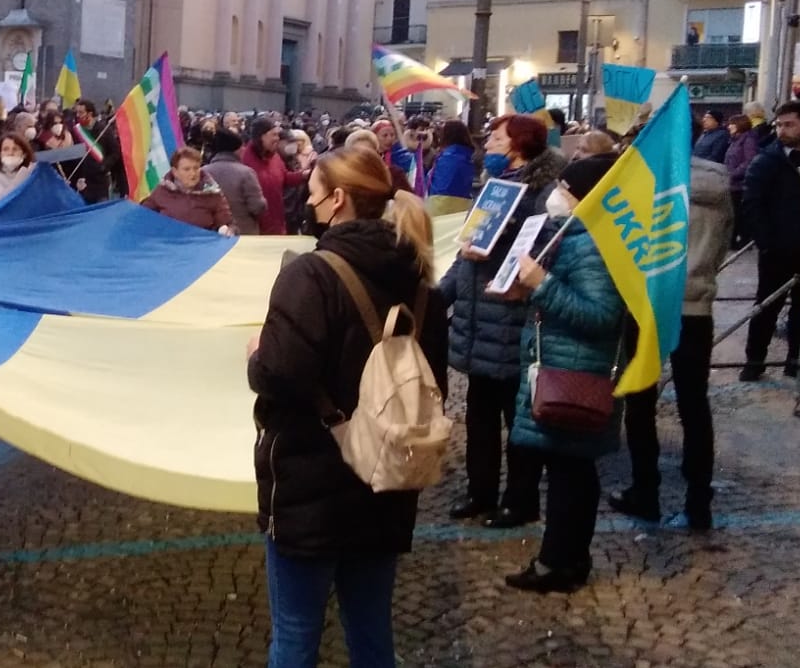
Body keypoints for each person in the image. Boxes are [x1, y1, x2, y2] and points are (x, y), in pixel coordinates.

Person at [247, 146, 447, 667]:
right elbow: (434, 383)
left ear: (337, 200)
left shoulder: (310, 275)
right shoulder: (420, 278)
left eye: (312, 193)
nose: (306, 203)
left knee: (295, 636)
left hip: (310, 481)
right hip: (388, 479)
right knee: (371, 630)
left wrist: (257, 356)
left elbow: (281, 375)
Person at [504, 155, 627, 594]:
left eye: (565, 185)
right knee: (572, 470)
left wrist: (543, 284)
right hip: (566, 364)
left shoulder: (593, 243)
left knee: (568, 474)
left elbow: (600, 315)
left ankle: (557, 562)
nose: (557, 192)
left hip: (575, 374)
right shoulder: (578, 235)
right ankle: (570, 557)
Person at [438, 113, 565, 531]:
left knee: (519, 422)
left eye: (495, 137)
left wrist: (497, 248)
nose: (488, 143)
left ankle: (520, 499)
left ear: (518, 144)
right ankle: (480, 491)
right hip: (478, 320)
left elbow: (543, 252)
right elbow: (466, 251)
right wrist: (442, 294)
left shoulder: (544, 194)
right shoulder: (492, 189)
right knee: (479, 415)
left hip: (512, 322)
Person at [612, 156, 731, 531]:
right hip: (696, 306)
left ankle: (645, 491)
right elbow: (725, 242)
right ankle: (698, 503)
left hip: (649, 305)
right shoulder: (719, 184)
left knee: (641, 401)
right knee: (694, 405)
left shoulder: (648, 181)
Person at [740, 101, 800, 380]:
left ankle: (797, 362)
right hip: (779, 249)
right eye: (778, 124)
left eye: (789, 124)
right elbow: (752, 204)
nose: (782, 130)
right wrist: (766, 243)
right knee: (766, 306)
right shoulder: (767, 160)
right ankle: (754, 363)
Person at [141, 147, 235, 234]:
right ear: (175, 172)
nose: (193, 173)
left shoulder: (212, 193)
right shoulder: (162, 191)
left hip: (202, 247)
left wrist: (228, 230)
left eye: (196, 168)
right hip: (170, 246)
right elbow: (142, 218)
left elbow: (228, 223)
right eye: (187, 169)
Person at [205, 130, 267, 235]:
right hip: (244, 232)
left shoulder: (203, 172)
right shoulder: (246, 173)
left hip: (212, 233)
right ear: (237, 150)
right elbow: (257, 207)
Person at [240, 117, 291, 235]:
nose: (277, 139)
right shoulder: (244, 158)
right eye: (273, 135)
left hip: (277, 222)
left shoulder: (275, 157)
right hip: (255, 227)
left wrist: (303, 175)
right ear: (261, 136)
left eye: (278, 135)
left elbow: (285, 177)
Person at [66, 99, 121, 203]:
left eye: (81, 112)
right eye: (76, 112)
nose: (78, 115)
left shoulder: (103, 130)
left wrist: (104, 166)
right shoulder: (76, 131)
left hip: (100, 181)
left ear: (90, 113)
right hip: (83, 180)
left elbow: (115, 152)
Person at [426, 120, 475, 214]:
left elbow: (441, 192)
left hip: (442, 211)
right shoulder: (465, 156)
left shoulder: (448, 159)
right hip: (461, 208)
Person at [724, 115, 759, 246]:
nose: (729, 127)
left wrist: (733, 174)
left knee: (738, 213)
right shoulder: (734, 141)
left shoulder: (748, 140)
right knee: (733, 213)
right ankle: (733, 238)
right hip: (732, 183)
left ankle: (742, 239)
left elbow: (749, 160)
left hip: (740, 184)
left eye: (732, 124)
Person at [0, 132, 36, 205]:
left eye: (15, 149)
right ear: (0, 154)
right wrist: (22, 174)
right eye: (6, 149)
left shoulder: (33, 172)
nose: (10, 153)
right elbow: (0, 201)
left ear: (24, 154)